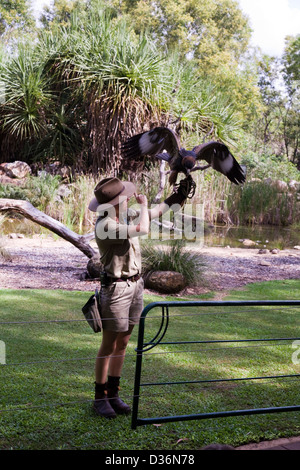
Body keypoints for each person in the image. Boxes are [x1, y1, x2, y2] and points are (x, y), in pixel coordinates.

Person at [88, 175, 193, 418]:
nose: (127, 199)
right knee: (108, 344)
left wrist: (177, 197)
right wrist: (144, 205)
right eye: (123, 197)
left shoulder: (121, 216)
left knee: (123, 342)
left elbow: (155, 213)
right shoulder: (106, 226)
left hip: (135, 286)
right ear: (114, 202)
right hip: (115, 290)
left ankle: (113, 393)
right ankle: (99, 397)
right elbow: (144, 227)